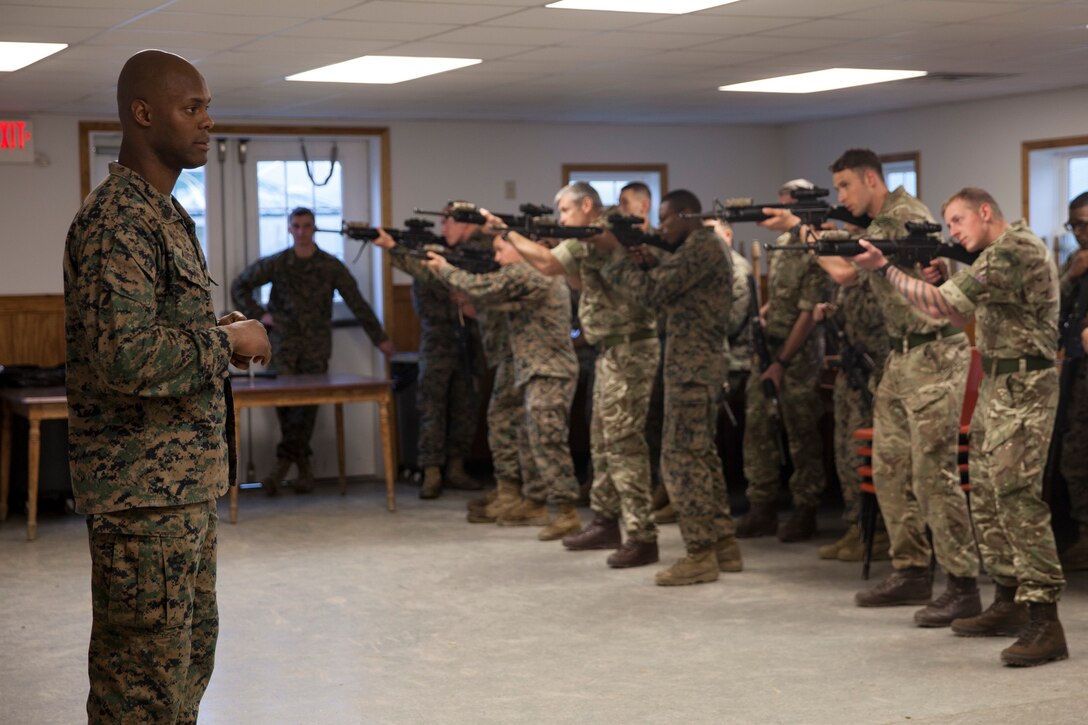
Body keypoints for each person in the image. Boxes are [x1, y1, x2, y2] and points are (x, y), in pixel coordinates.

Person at [64, 50, 272, 723]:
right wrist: (226, 342)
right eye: (193, 108)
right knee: (141, 687)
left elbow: (150, 331)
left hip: (176, 488)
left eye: (208, 106)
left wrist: (214, 327)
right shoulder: (118, 222)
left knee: (182, 667)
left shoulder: (161, 214)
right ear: (142, 114)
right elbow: (122, 359)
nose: (208, 121)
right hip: (142, 495)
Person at [852, 187, 1068, 667]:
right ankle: (1009, 602)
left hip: (1025, 386)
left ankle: (1045, 620)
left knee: (1017, 499)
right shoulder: (992, 256)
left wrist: (885, 269)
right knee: (988, 496)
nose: (952, 232)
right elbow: (952, 309)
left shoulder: (1014, 249)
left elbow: (935, 304)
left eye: (956, 222)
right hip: (997, 382)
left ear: (985, 212)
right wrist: (945, 274)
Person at [762, 150, 979, 627]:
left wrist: (801, 227)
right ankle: (911, 570)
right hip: (900, 355)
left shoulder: (904, 217)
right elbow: (845, 258)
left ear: (871, 179)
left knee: (932, 475)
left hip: (934, 353)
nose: (841, 196)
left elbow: (843, 271)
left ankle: (962, 585)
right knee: (889, 469)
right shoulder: (876, 222)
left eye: (844, 187)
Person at [503, 182, 660, 568]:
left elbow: (547, 265)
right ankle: (606, 522)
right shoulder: (589, 237)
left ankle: (642, 535)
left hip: (631, 346)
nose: (561, 219)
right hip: (609, 348)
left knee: (624, 444)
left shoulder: (610, 228)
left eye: (565, 212)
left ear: (587, 205)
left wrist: (508, 234)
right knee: (602, 440)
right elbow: (576, 280)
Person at [595, 189, 741, 585]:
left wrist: (617, 257)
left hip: (693, 367)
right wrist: (648, 259)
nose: (660, 226)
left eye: (666, 218)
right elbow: (672, 287)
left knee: (680, 460)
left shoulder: (702, 246)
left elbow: (654, 292)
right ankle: (723, 543)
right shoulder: (697, 248)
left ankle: (700, 554)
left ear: (687, 215)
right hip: (695, 364)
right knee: (701, 456)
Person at [421, 229, 582, 540]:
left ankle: (567, 512)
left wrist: (444, 269)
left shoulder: (531, 272)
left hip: (549, 371)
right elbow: (496, 301)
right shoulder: (530, 276)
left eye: (500, 250)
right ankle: (534, 502)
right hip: (533, 370)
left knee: (548, 441)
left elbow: (480, 286)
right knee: (529, 439)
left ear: (520, 248)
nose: (496, 258)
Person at [231, 207, 394, 495]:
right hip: (283, 346)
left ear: (315, 228)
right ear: (290, 229)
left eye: (307, 226)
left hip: (315, 347)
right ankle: (302, 467)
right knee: (284, 408)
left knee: (307, 410)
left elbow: (356, 301)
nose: (302, 232)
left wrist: (379, 338)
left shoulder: (330, 265)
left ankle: (283, 467)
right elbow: (240, 285)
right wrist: (261, 316)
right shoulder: (280, 263)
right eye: (297, 226)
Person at [734, 178, 829, 542]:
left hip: (798, 354)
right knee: (757, 426)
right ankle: (763, 507)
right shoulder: (784, 245)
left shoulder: (815, 245)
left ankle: (805, 509)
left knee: (800, 429)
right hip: (771, 345)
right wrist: (765, 313)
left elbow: (807, 311)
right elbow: (786, 295)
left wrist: (783, 362)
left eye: (785, 204)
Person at [393, 202, 489, 498]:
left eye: (449, 222)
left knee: (466, 406)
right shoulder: (430, 258)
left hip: (468, 340)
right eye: (443, 222)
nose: (443, 227)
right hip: (437, 341)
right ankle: (431, 471)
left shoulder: (473, 256)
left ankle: (456, 468)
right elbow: (427, 300)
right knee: (431, 407)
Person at [1055, 191, 1088, 569]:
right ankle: (1083, 534)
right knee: (1075, 452)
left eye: (1085, 224)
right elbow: (1053, 309)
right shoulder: (1074, 263)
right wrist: (1070, 277)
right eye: (1074, 225)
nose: (1080, 233)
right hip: (1077, 373)